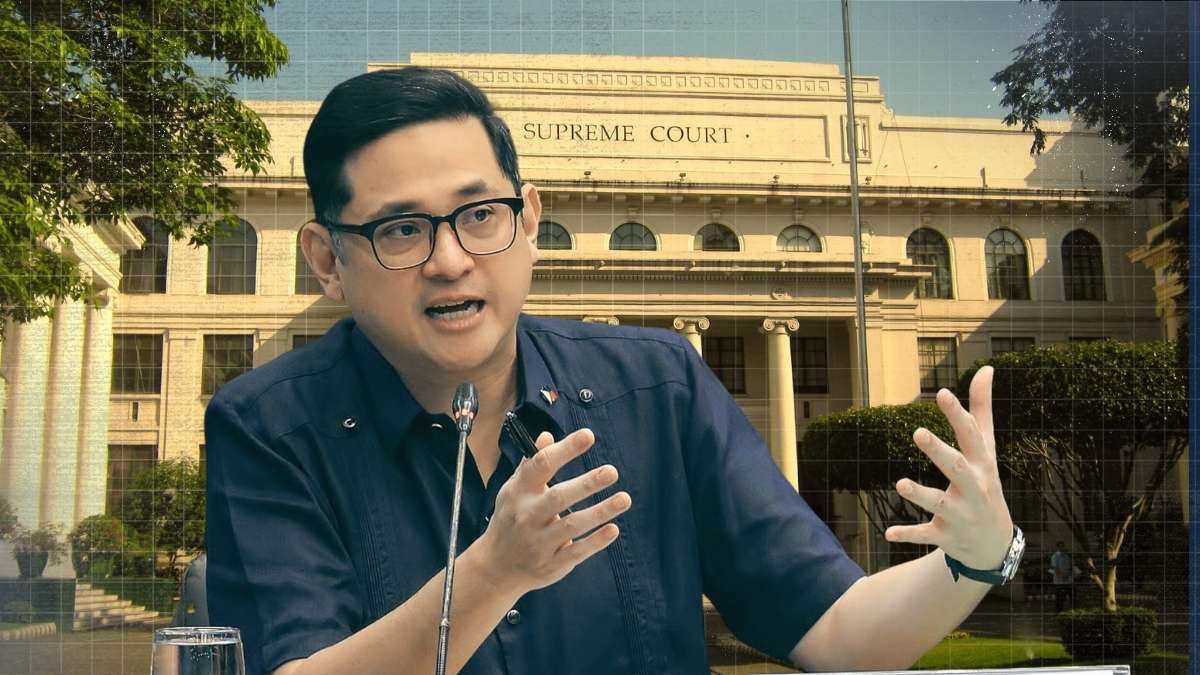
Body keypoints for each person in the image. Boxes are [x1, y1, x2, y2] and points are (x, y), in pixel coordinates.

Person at [205, 67, 1021, 675]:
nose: (450, 260)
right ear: (328, 261)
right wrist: (492, 573)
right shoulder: (268, 426)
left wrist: (975, 559)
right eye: (401, 230)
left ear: (529, 223)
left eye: (479, 215)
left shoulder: (660, 387)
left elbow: (839, 633)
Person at [1049, 540, 1075, 613]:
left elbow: (1070, 566)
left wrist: (1069, 574)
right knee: (1060, 598)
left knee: (1072, 596)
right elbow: (1055, 568)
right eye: (1060, 546)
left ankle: (1073, 610)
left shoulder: (1066, 555)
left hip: (1068, 580)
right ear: (1057, 547)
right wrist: (1063, 576)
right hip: (1059, 581)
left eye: (1062, 546)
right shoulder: (1055, 556)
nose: (1062, 548)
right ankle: (1058, 612)